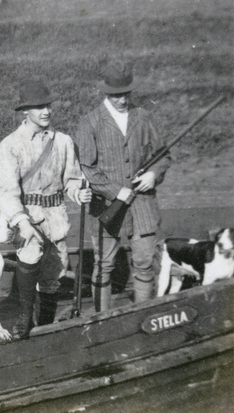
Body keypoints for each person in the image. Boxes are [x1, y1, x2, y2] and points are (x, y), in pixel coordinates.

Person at [0, 79, 92, 339]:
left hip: (56, 218)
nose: (45, 111)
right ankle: (25, 319)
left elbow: (72, 179)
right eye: (38, 107)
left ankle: (46, 326)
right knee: (28, 258)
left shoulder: (63, 142)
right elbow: (7, 191)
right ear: (25, 111)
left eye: (47, 105)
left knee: (53, 276)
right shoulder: (11, 145)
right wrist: (22, 222)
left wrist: (78, 192)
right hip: (28, 218)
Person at [73, 60, 171, 312]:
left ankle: (142, 318)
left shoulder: (144, 117)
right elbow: (87, 168)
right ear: (106, 92)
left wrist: (152, 174)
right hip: (107, 208)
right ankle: (102, 321)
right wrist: (116, 191)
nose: (122, 100)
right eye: (116, 95)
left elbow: (163, 156)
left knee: (144, 263)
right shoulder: (90, 123)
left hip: (142, 206)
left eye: (126, 93)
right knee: (103, 266)